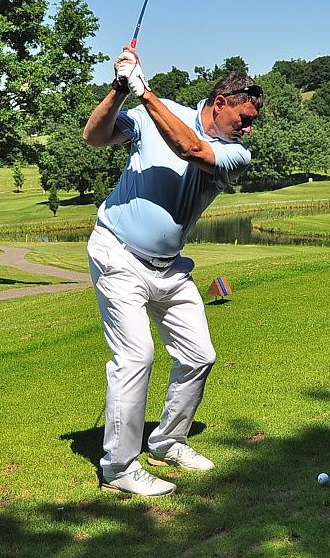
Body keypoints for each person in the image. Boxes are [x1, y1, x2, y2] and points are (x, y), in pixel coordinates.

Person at [83, 46, 262, 496]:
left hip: (170, 269)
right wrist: (119, 89)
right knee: (136, 357)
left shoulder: (235, 152)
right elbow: (95, 136)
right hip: (117, 254)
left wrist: (144, 92)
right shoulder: (157, 112)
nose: (248, 128)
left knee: (199, 355)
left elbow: (189, 147)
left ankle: (166, 441)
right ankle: (119, 468)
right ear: (220, 103)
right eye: (244, 118)